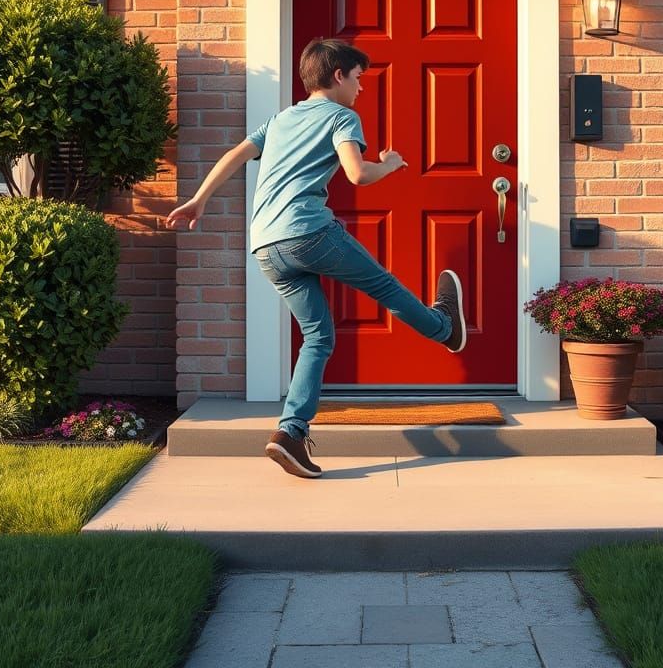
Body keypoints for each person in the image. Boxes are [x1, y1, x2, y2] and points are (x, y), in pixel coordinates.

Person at [166, 37, 466, 479]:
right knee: (383, 286)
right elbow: (357, 174)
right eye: (358, 78)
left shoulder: (281, 119)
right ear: (338, 76)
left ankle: (290, 434)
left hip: (266, 245)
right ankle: (444, 328)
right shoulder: (342, 117)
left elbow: (234, 155)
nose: (361, 87)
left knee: (318, 336)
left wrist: (199, 200)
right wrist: (390, 164)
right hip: (308, 232)